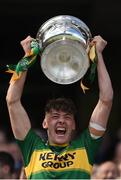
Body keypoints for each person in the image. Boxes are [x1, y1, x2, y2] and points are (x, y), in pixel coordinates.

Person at [6, 35, 113, 179]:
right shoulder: (31, 147)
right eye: (55, 116)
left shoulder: (86, 146)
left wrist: (98, 54)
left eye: (67, 117)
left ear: (74, 124)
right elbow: (12, 101)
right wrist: (27, 56)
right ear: (45, 123)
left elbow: (106, 100)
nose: (61, 121)